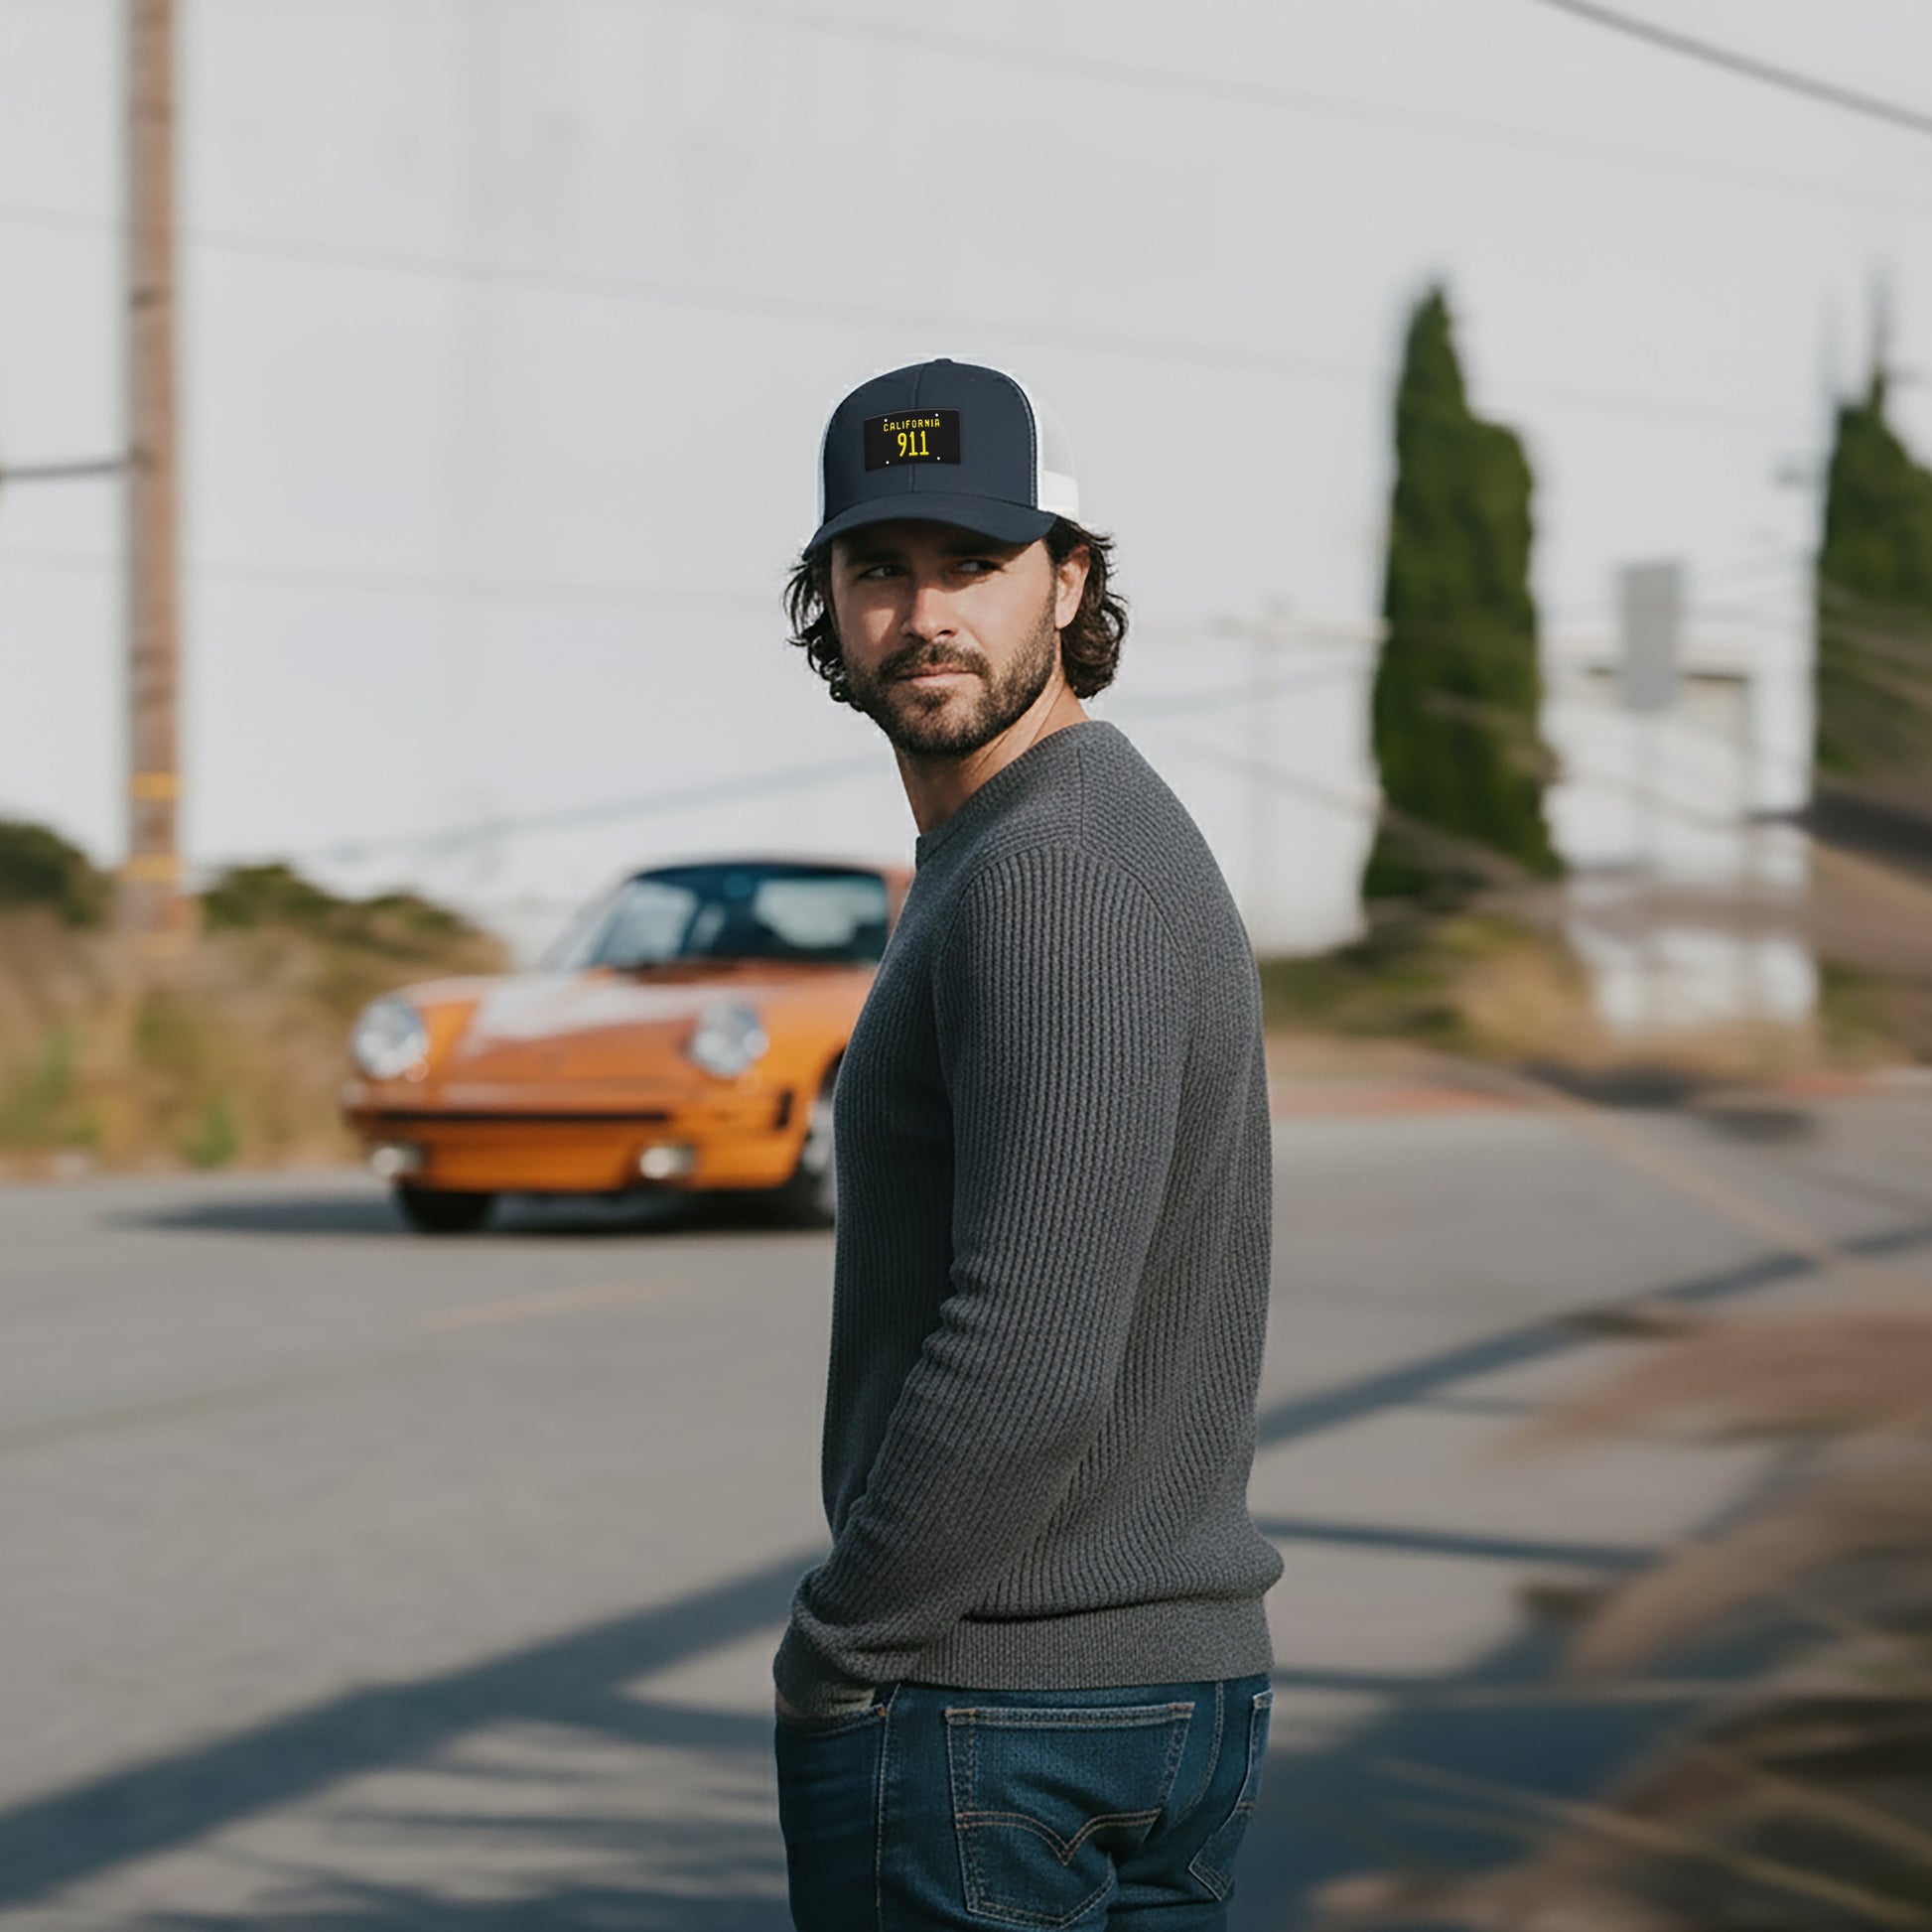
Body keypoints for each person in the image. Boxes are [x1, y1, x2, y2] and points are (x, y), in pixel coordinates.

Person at [770, 356, 1284, 1929]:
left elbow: (1027, 1346)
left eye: (973, 565)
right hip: (1132, 1695)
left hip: (996, 1709)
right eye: (878, 568)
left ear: (1066, 581)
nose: (925, 612)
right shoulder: (1029, 843)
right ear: (830, 601)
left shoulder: (1051, 868)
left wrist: (843, 1651)